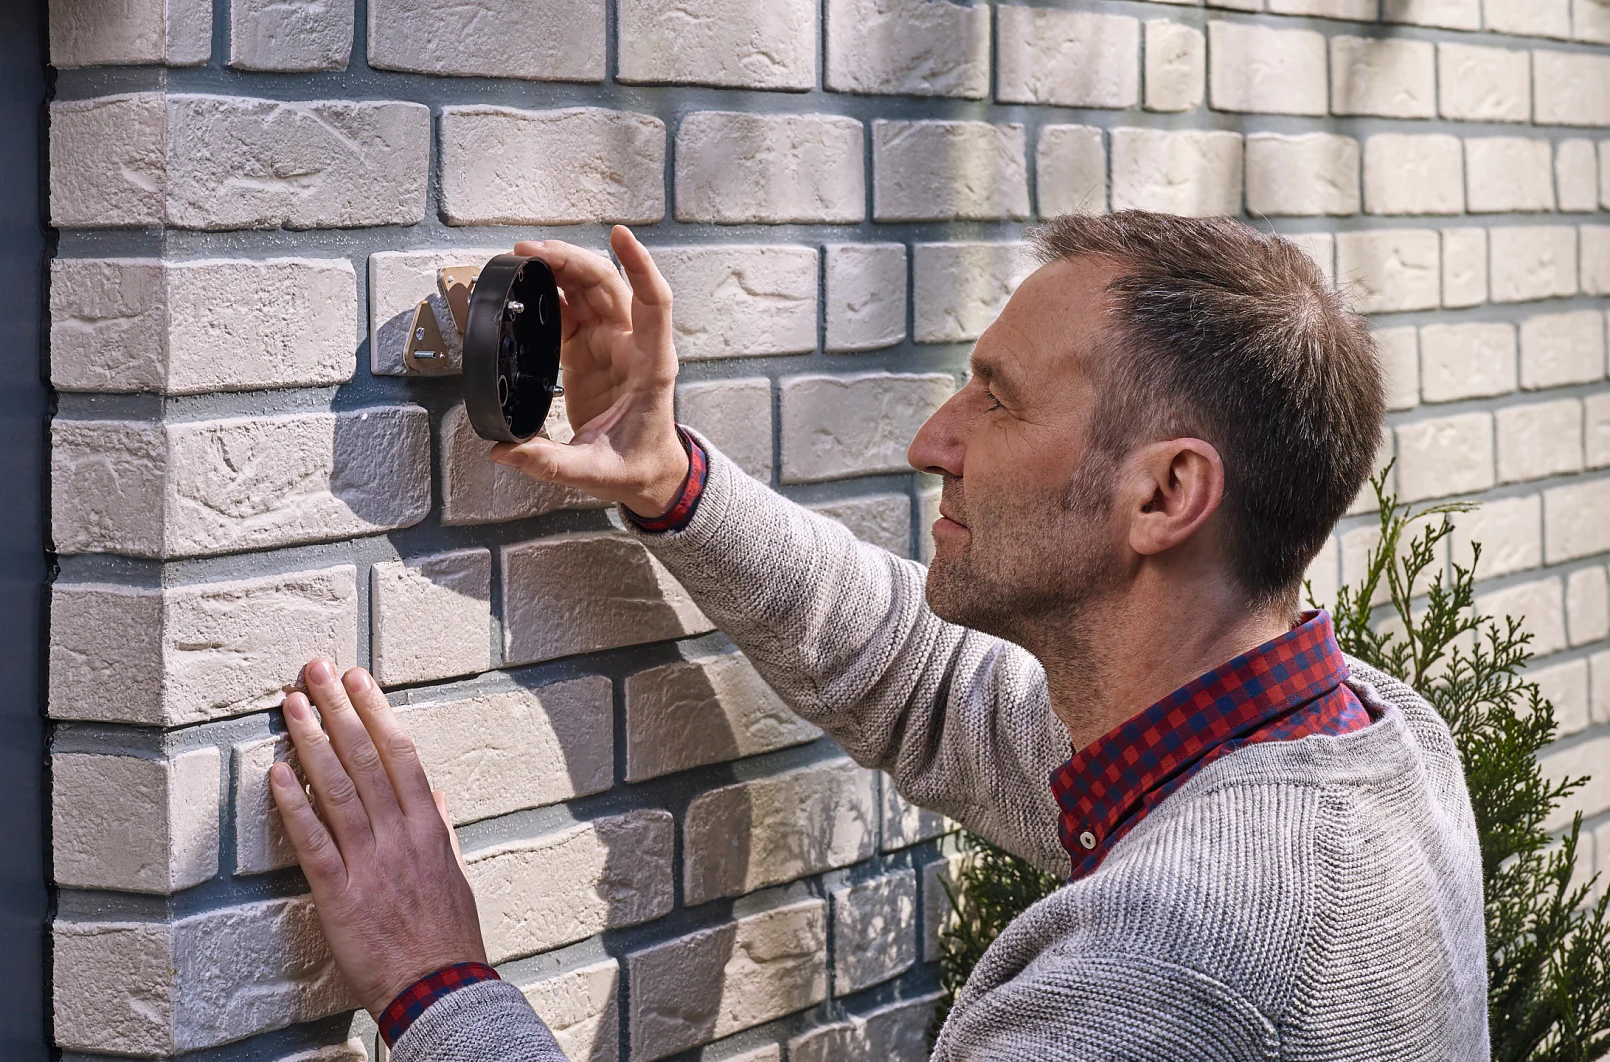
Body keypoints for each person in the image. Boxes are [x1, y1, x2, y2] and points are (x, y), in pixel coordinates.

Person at [267, 213, 1488, 1061]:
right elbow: (928, 686)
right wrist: (669, 482)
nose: (932, 440)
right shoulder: (1361, 743)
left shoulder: (1167, 979)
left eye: (995, 399)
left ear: (1165, 496)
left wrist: (436, 987)